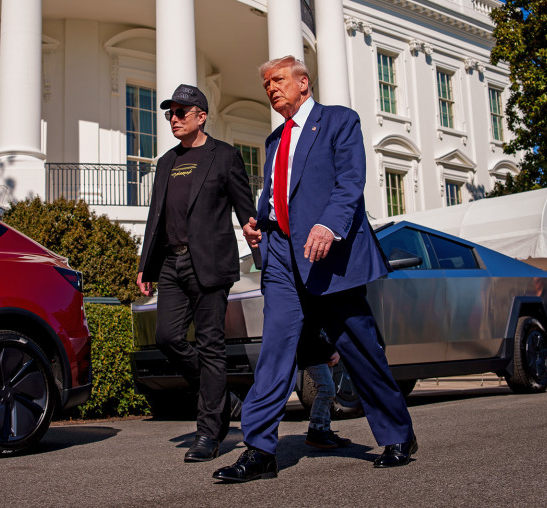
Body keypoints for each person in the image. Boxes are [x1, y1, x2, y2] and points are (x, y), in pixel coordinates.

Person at [212, 56, 416, 483]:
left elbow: (349, 181)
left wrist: (328, 225)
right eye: (266, 82)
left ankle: (398, 434)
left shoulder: (339, 121)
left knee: (360, 350)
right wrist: (259, 224)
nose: (271, 87)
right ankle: (260, 450)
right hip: (284, 258)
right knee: (275, 351)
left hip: (330, 257)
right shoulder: (274, 141)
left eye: (279, 79)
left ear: (303, 83)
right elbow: (276, 197)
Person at [137, 84, 256, 463]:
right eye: (169, 113)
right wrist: (146, 265)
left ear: (201, 116)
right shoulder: (166, 161)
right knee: (168, 337)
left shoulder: (225, 156)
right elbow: (156, 217)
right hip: (172, 263)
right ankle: (219, 400)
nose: (173, 119)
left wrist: (262, 253)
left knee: (210, 346)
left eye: (180, 113)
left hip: (210, 263)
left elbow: (245, 210)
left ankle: (209, 432)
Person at [298, 327, 351, 449]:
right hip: (313, 355)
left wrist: (335, 350)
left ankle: (325, 430)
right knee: (326, 389)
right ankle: (315, 430)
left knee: (327, 390)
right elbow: (310, 335)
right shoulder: (308, 313)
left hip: (325, 353)